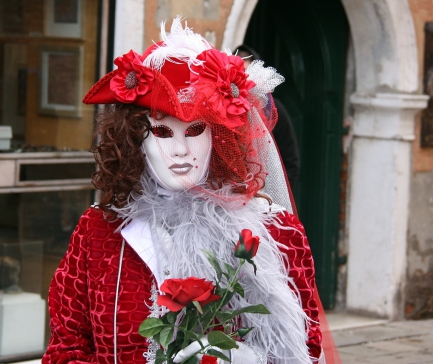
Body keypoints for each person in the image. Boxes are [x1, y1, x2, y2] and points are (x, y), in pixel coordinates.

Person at [42, 18, 330, 364]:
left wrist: (247, 360)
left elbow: (308, 349)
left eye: (194, 131)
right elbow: (66, 348)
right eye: (163, 132)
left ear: (219, 137)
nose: (180, 149)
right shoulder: (99, 233)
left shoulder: (275, 233)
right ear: (135, 139)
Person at [235, 45, 300, 190]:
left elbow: (290, 160)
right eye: (238, 72)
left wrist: (276, 197)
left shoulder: (273, 109)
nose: (243, 78)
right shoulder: (219, 108)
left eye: (247, 72)